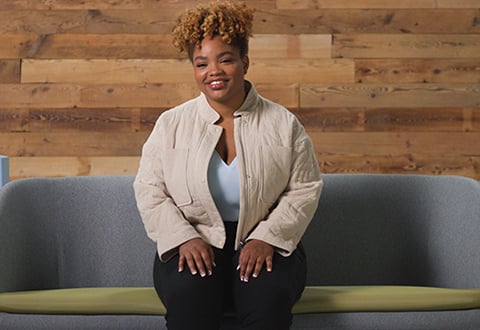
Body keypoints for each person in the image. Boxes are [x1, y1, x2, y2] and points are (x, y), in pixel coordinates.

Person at [133, 1, 323, 329]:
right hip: (192, 238)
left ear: (244, 62)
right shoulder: (171, 124)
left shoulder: (283, 123)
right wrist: (183, 238)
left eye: (226, 59)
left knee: (267, 299)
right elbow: (149, 188)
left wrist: (268, 237)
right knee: (190, 298)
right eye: (201, 63)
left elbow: (305, 188)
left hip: (266, 240)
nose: (214, 72)